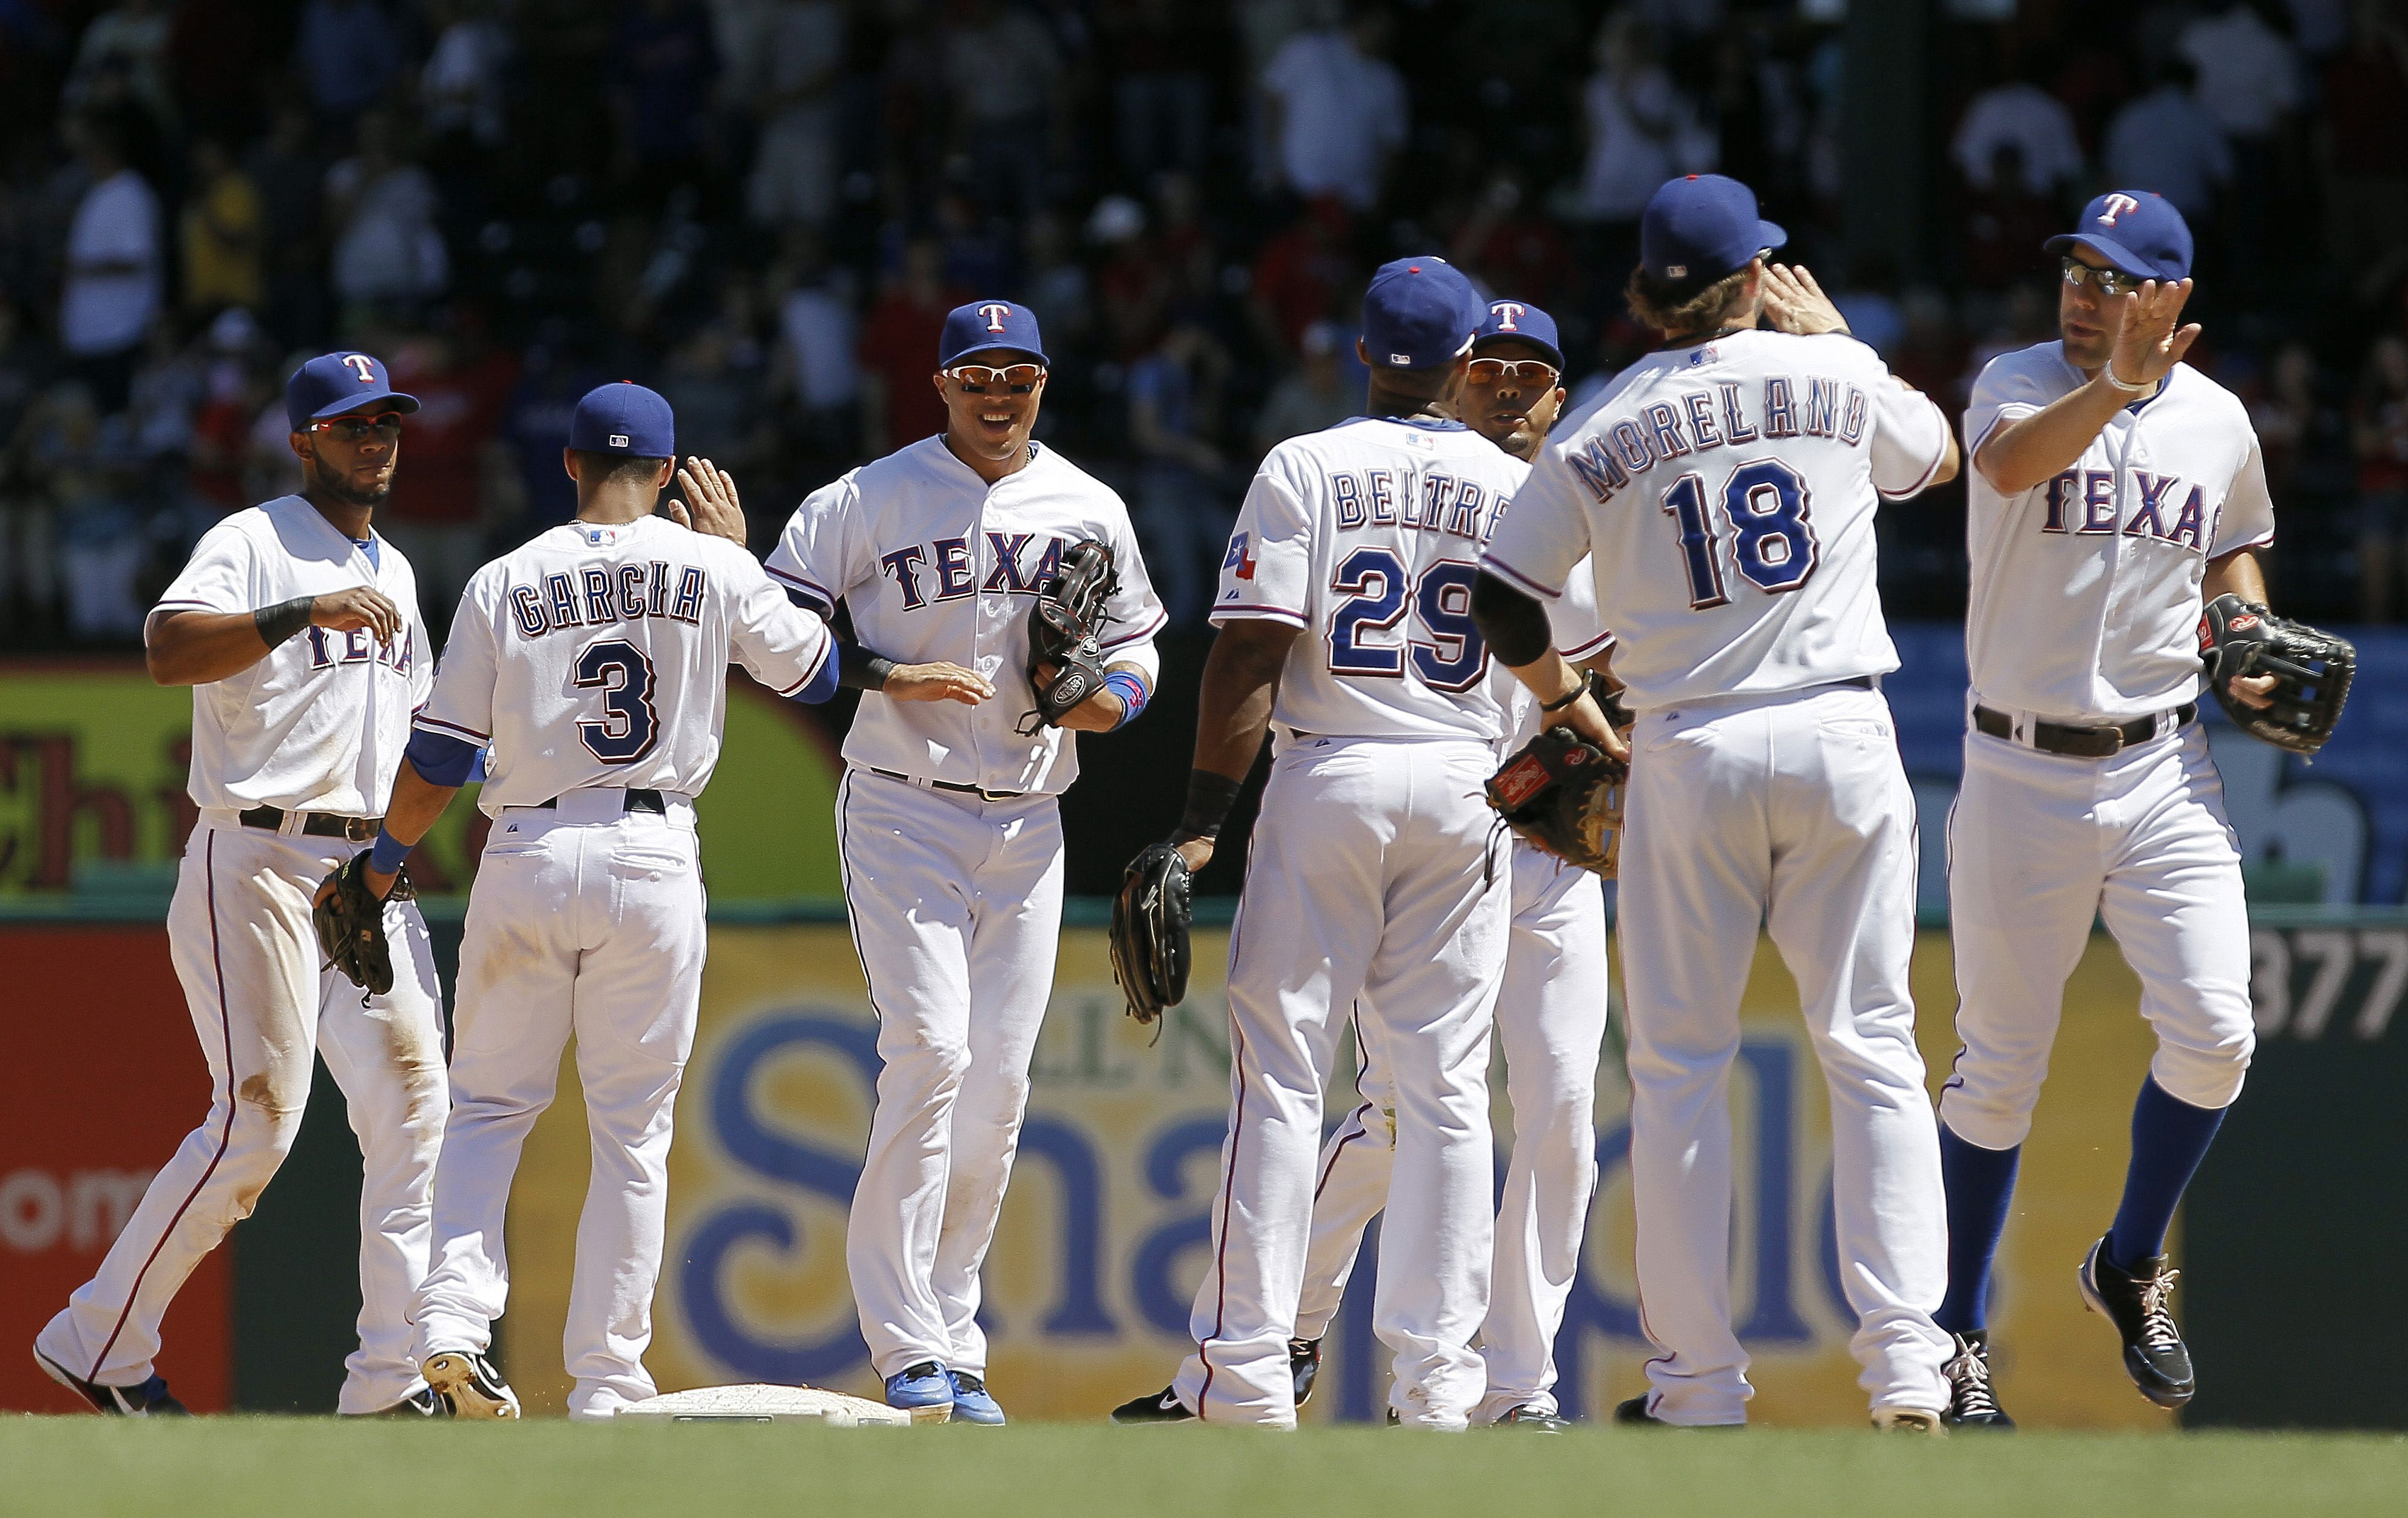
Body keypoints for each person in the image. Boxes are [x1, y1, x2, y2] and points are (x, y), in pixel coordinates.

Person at [364, 385, 959, 1420]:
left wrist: (378, 863)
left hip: (530, 846)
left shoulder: (507, 577)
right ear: (672, 471)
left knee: (490, 1112)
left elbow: (440, 756)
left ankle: (453, 1325)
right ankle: (605, 1379)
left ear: (570, 465)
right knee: (631, 1132)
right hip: (652, 852)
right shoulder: (713, 564)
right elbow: (819, 674)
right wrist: (742, 555)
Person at [1473, 174, 1962, 1431]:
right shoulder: (1839, 374)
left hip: (1685, 743)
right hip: (1841, 726)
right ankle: (1909, 1365)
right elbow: (1939, 461)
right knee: (1871, 1045)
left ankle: (1697, 1386)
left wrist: (1555, 703)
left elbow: (1501, 594)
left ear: (1647, 291)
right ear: (1754, 279)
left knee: (1683, 1068)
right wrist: (1835, 339)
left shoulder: (1598, 421)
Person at [1115, 296, 1614, 1430]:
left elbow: (1248, 647)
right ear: (1465, 363)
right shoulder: (1514, 489)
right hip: (1463, 780)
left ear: (1359, 354)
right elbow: (1563, 658)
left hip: (1330, 771)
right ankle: (1437, 1387)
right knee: (1444, 1099)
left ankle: (1244, 1373)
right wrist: (1594, 730)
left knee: (1285, 1079)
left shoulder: (1306, 462)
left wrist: (1200, 823)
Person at [765, 302, 1166, 1424]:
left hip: (1033, 821)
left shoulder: (1088, 505)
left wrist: (1109, 699)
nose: (1000, 395)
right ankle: (905, 1344)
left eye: (1020, 376)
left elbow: (1139, 646)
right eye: (978, 375)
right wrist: (887, 676)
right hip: (903, 809)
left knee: (995, 1089)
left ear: (1045, 382)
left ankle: (954, 1334)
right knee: (932, 1052)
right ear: (939, 384)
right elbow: (778, 630)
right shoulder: (869, 495)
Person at [33, 353, 448, 1417]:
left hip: (364, 867)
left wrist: (395, 860)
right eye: (353, 424)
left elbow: (424, 737)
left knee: (416, 1106)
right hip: (256, 854)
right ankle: (98, 1339)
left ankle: (390, 1379)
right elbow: (166, 649)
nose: (376, 441)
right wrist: (300, 611)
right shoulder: (256, 540)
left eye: (388, 422)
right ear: (303, 438)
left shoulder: (397, 573)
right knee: (256, 1123)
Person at [1936, 191, 2280, 1426]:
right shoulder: (2015, 382)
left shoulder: (2218, 421)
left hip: (2161, 765)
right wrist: (2118, 392)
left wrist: (2238, 627)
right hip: (2018, 769)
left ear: (2170, 296)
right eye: (2077, 269)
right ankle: (1957, 1337)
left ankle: (2127, 1261)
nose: (2086, 292)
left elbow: (2235, 542)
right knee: (1996, 1075)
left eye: (2118, 276)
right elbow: (2011, 467)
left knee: (2217, 1035)